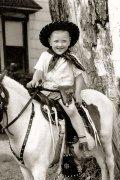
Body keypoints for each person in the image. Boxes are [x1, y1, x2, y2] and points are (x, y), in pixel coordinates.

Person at [26, 21, 88, 154]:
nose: (60, 45)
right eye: (56, 41)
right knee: (32, 107)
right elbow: (39, 71)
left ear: (69, 41)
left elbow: (79, 77)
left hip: (64, 91)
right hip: (47, 90)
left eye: (64, 41)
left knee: (71, 110)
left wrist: (78, 94)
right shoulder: (45, 56)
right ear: (50, 41)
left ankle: (82, 137)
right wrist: (35, 79)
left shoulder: (72, 58)